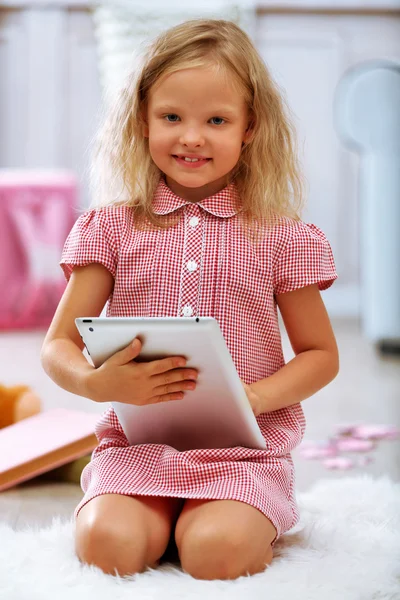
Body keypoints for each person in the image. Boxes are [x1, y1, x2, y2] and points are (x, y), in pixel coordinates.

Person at [41, 18, 339, 581]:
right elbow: (58, 344)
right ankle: (163, 517)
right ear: (142, 121)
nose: (192, 137)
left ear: (250, 128)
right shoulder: (109, 228)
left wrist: (256, 396)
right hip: (135, 449)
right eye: (171, 117)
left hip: (242, 454)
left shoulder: (282, 236)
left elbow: (321, 354)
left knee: (216, 553)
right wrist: (91, 381)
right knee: (107, 544)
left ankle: (220, 518)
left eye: (217, 120)